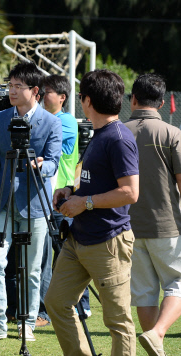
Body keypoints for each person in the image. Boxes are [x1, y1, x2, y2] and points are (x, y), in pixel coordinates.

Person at [45, 69, 139, 356]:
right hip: (79, 239)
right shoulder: (98, 134)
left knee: (117, 321)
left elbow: (130, 192)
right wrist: (69, 192)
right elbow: (96, 181)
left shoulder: (118, 138)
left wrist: (84, 204)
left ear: (86, 100)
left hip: (108, 242)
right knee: (56, 303)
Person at [0, 61, 62, 341]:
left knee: (32, 270)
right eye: (9, 85)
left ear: (35, 91)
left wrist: (40, 165)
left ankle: (27, 324)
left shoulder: (52, 122)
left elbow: (54, 163)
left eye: (18, 86)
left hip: (35, 205)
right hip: (3, 203)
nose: (11, 90)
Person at [124, 73, 181, 356]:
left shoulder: (118, 132)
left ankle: (155, 350)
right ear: (161, 102)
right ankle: (157, 334)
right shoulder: (172, 134)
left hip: (129, 226)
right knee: (178, 283)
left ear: (132, 99)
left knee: (145, 292)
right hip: (167, 225)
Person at [36, 75, 86, 327]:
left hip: (60, 196)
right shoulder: (49, 117)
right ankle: (81, 307)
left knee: (60, 254)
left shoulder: (64, 121)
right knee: (63, 253)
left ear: (62, 97)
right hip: (49, 196)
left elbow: (40, 133)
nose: (42, 96)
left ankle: (45, 312)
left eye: (46, 92)